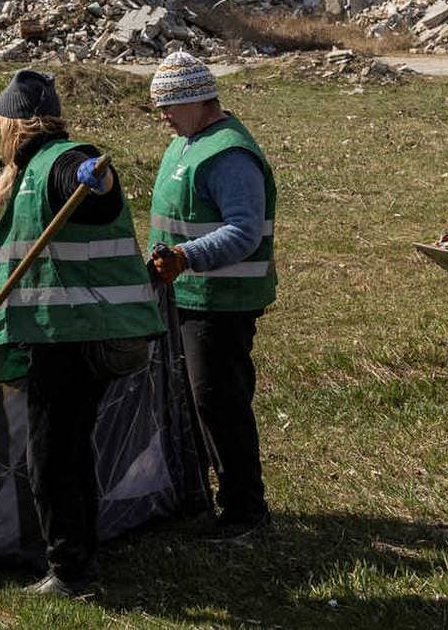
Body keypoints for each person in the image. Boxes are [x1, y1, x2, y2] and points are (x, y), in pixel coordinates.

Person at [0, 69, 162, 599]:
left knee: (50, 456)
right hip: (78, 330)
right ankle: (82, 554)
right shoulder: (29, 172)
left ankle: (69, 572)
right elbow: (31, 264)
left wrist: (97, 180)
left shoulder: (58, 162)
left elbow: (88, 185)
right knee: (69, 449)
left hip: (76, 338)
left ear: (12, 124)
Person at [145, 50, 277, 542]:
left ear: (198, 100)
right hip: (188, 295)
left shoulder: (229, 155)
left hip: (223, 301)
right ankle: (201, 493)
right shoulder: (188, 141)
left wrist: (185, 258)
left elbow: (243, 231)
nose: (162, 116)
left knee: (219, 402)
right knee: (197, 400)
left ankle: (246, 510)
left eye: (169, 106)